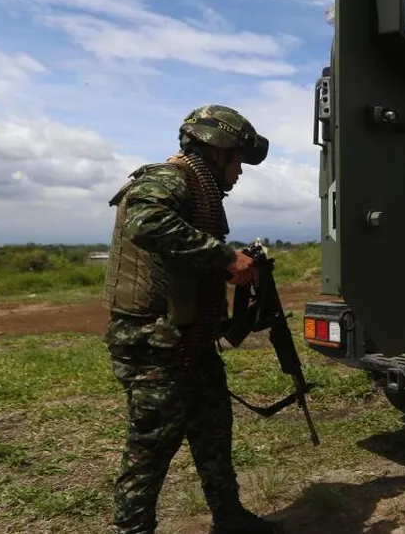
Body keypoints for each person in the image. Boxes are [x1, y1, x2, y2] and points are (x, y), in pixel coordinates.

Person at [103, 104, 281, 534]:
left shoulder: (197, 189)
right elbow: (147, 223)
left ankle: (230, 519)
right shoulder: (167, 179)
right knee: (150, 446)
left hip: (190, 339)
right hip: (154, 343)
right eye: (238, 160)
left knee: (213, 429)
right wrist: (225, 258)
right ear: (218, 151)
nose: (239, 171)